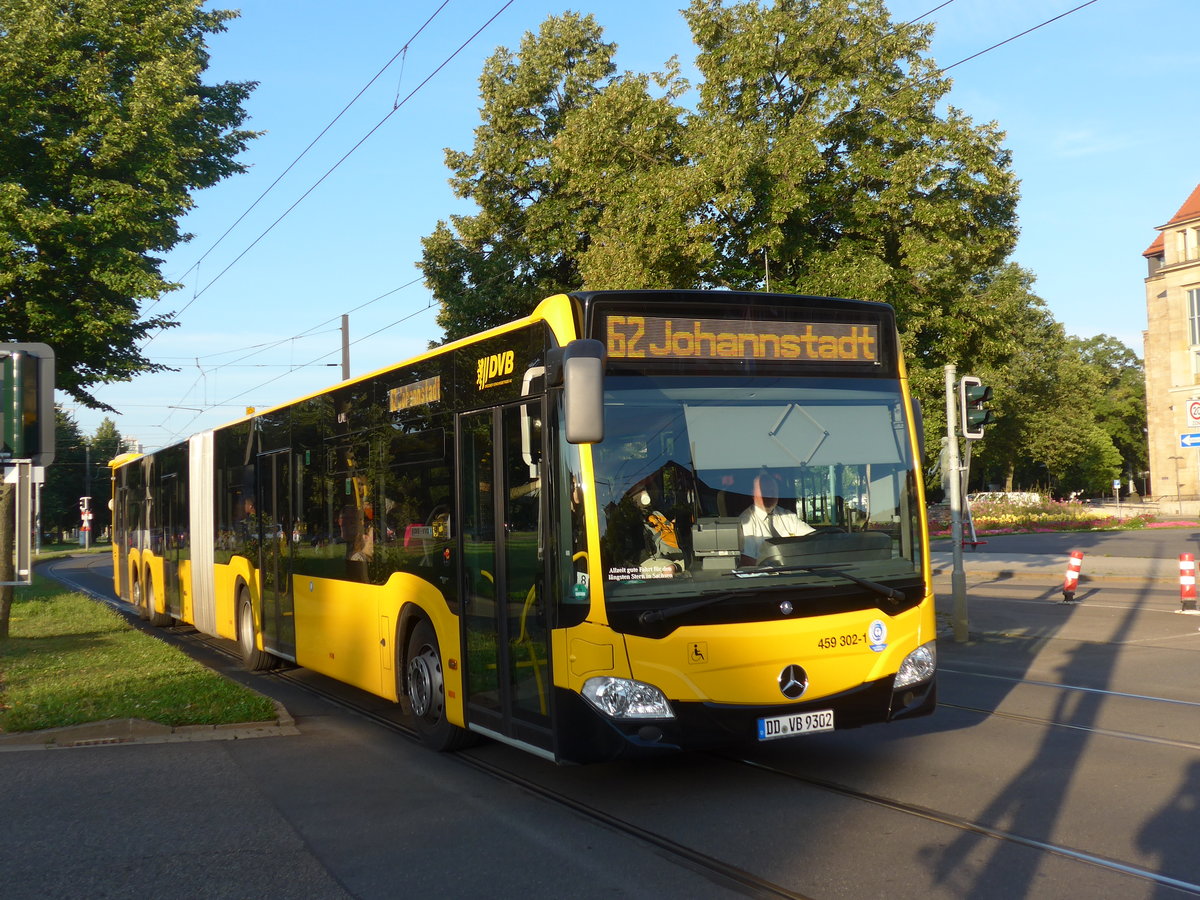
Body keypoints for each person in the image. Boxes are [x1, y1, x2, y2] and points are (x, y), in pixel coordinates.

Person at [739, 471, 814, 563]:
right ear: (752, 494)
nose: (769, 495)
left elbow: (813, 540)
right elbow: (748, 561)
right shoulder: (746, 521)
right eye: (764, 491)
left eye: (772, 491)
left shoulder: (788, 516)